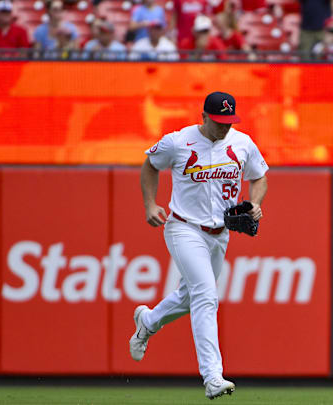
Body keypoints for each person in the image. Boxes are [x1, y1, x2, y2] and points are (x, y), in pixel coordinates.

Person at [133, 91, 269, 400]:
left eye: (229, 121)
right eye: (219, 121)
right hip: (184, 228)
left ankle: (148, 321)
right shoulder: (178, 141)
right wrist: (150, 204)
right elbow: (150, 164)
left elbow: (260, 176)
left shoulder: (242, 143)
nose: (224, 127)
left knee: (188, 296)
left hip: (221, 233)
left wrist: (255, 204)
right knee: (206, 295)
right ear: (204, 116)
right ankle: (212, 377)